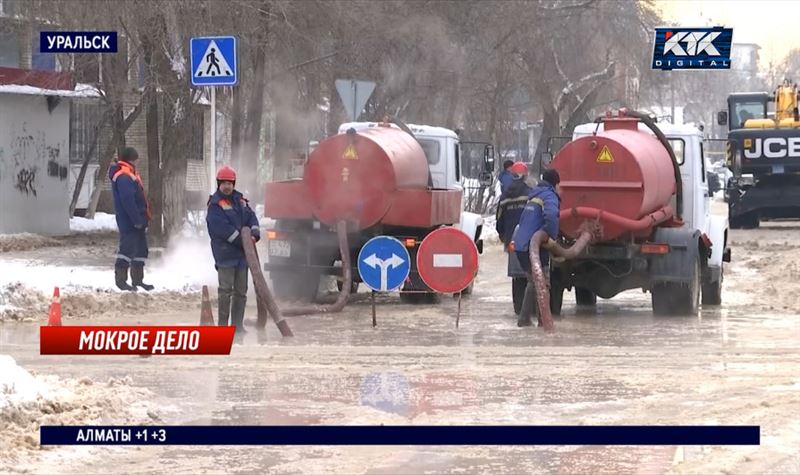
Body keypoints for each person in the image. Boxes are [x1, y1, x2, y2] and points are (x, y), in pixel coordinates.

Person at [206, 165, 260, 342]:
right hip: (226, 255)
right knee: (225, 290)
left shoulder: (241, 201)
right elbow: (221, 229)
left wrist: (254, 232)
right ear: (219, 184)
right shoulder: (215, 205)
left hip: (242, 256)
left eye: (230, 183)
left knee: (241, 291)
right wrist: (243, 241)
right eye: (224, 183)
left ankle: (237, 326)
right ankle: (223, 326)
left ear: (234, 183)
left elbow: (251, 217)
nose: (227, 186)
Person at [510, 168, 562, 327]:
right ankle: (537, 321)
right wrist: (550, 235)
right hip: (534, 246)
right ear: (556, 183)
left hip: (521, 245)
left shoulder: (534, 193)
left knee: (534, 281)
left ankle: (531, 319)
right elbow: (552, 215)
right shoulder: (549, 195)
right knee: (541, 282)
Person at [109, 147, 153, 292]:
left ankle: (137, 280)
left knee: (140, 250)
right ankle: (121, 281)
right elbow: (128, 200)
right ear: (133, 159)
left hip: (137, 219)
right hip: (129, 221)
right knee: (127, 250)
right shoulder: (124, 176)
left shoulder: (128, 174)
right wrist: (136, 219)